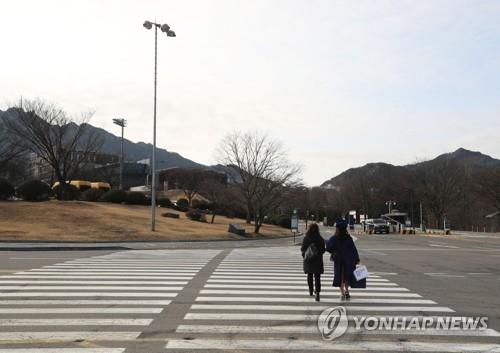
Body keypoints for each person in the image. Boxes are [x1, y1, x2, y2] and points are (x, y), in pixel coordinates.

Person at [326, 219, 360, 301]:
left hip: (339, 260)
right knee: (347, 276)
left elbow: (328, 247)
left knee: (340, 276)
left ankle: (342, 293)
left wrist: (333, 252)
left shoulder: (335, 238)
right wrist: (356, 259)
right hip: (348, 260)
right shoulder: (348, 238)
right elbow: (353, 249)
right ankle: (347, 291)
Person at [301, 223, 326, 302]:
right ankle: (317, 292)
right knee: (317, 277)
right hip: (317, 259)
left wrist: (305, 255)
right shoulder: (320, 238)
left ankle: (311, 290)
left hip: (309, 259)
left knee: (309, 275)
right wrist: (318, 253)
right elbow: (323, 249)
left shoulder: (306, 238)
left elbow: (303, 248)